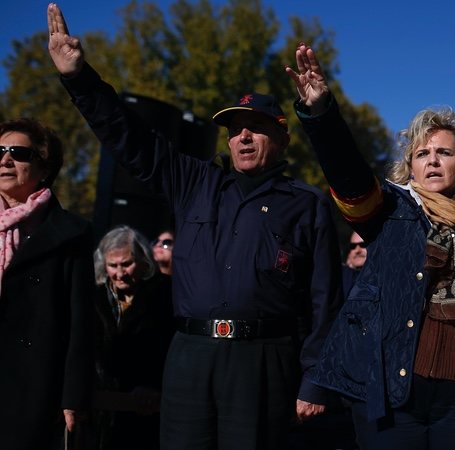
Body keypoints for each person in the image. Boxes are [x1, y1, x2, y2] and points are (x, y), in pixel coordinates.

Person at [48, 5, 343, 450]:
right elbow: (130, 139)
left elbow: (326, 301)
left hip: (264, 361)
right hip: (189, 353)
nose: (242, 137)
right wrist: (79, 79)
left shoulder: (307, 205)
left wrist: (316, 380)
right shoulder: (195, 182)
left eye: (256, 128)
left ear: (282, 137)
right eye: (234, 129)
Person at [287, 44, 455, 450]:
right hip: (392, 400)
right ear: (411, 165)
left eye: (444, 152)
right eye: (423, 153)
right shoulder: (389, 211)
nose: (433, 161)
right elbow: (347, 174)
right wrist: (321, 113)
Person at [0, 117, 95, 448]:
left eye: (18, 153)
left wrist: (74, 398)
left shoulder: (70, 233)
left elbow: (81, 323)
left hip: (33, 385)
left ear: (44, 166)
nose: (5, 159)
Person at [93, 225, 175, 450]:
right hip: (99, 406)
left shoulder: (164, 294)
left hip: (146, 405)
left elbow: (168, 348)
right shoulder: (93, 297)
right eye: (113, 265)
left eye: (127, 264)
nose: (120, 273)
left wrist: (152, 384)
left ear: (143, 260)